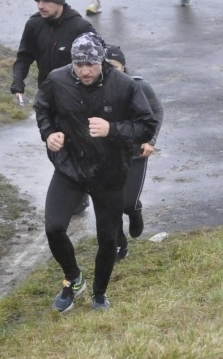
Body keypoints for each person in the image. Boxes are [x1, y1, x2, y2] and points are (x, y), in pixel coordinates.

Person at [34, 32, 157, 311]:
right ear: (72, 63)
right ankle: (73, 279)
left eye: (91, 64)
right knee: (53, 227)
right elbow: (42, 109)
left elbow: (147, 125)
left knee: (108, 238)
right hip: (70, 167)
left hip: (110, 171)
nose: (85, 71)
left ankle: (99, 294)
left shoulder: (124, 85)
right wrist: (49, 133)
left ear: (101, 61)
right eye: (79, 65)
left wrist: (112, 129)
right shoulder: (57, 79)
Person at [10, 0, 96, 215]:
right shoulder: (34, 24)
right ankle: (74, 186)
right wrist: (18, 83)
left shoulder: (80, 26)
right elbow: (24, 56)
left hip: (78, 99)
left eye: (46, 1)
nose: (41, 5)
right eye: (38, 1)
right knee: (53, 145)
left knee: (76, 146)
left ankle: (77, 193)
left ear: (59, 1)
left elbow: (99, 62)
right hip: (47, 98)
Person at [104, 45, 164, 262]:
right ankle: (120, 244)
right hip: (107, 154)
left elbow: (157, 111)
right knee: (111, 204)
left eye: (115, 67)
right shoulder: (95, 88)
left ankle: (135, 210)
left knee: (126, 203)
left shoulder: (139, 85)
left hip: (135, 152)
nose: (111, 71)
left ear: (124, 66)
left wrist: (151, 140)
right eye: (106, 66)